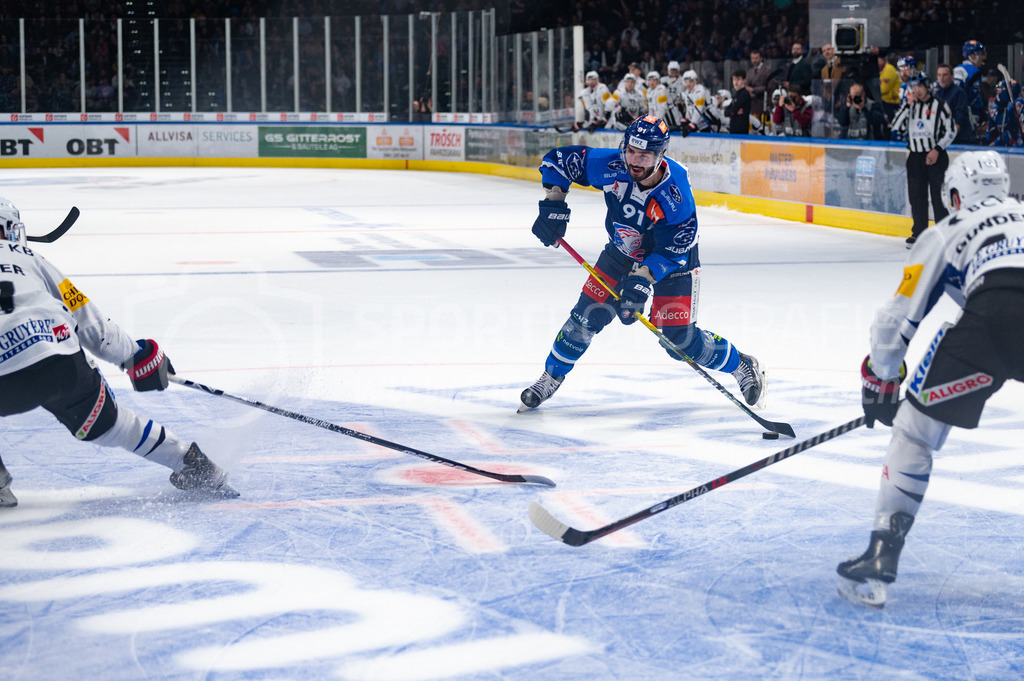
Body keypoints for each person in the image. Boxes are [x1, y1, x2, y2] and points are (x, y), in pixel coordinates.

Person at [837, 151, 1022, 609]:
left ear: (955, 195)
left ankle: (883, 554)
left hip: (990, 321)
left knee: (914, 434)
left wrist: (881, 382)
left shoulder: (949, 229)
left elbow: (897, 320)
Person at [0, 197, 238, 507]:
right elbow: (87, 319)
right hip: (61, 363)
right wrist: (134, 356)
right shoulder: (32, 258)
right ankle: (193, 464)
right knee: (111, 425)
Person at [520, 116, 766, 413]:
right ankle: (550, 377)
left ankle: (741, 365)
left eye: (645, 155)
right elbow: (559, 160)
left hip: (674, 264)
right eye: (631, 151)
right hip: (620, 253)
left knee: (679, 340)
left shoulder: (676, 198)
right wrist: (553, 204)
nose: (635, 161)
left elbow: (673, 250)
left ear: (660, 156)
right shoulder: (612, 165)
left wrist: (641, 281)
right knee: (584, 319)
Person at [889, 71, 957, 246]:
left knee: (938, 197)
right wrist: (907, 106)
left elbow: (951, 130)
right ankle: (919, 233)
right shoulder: (909, 106)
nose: (916, 90)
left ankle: (943, 233)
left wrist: (937, 149)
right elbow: (895, 126)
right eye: (913, 87)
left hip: (936, 155)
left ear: (927, 86)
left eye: (919, 86)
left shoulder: (940, 105)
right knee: (917, 197)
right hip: (915, 157)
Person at [954, 40, 988, 140]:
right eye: (981, 54)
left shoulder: (956, 69)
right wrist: (981, 115)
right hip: (966, 116)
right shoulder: (973, 71)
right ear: (973, 56)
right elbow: (974, 98)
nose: (983, 58)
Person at [932, 63, 973, 145]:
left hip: (959, 140)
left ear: (952, 76)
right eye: (939, 75)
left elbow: (959, 119)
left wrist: (948, 138)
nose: (942, 78)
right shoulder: (935, 93)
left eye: (945, 75)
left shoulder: (959, 93)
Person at [746, 49, 771, 121]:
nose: (754, 60)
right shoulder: (750, 71)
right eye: (753, 58)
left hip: (764, 103)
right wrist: (749, 91)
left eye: (756, 58)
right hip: (753, 104)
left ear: (761, 58)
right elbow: (746, 85)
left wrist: (753, 90)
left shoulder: (767, 70)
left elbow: (769, 87)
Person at [725, 69, 751, 134]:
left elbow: (733, 110)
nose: (735, 82)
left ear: (744, 80)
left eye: (738, 79)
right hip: (734, 129)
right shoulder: (735, 94)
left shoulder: (744, 94)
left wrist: (733, 112)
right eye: (734, 79)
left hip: (741, 131)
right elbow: (726, 112)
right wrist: (733, 112)